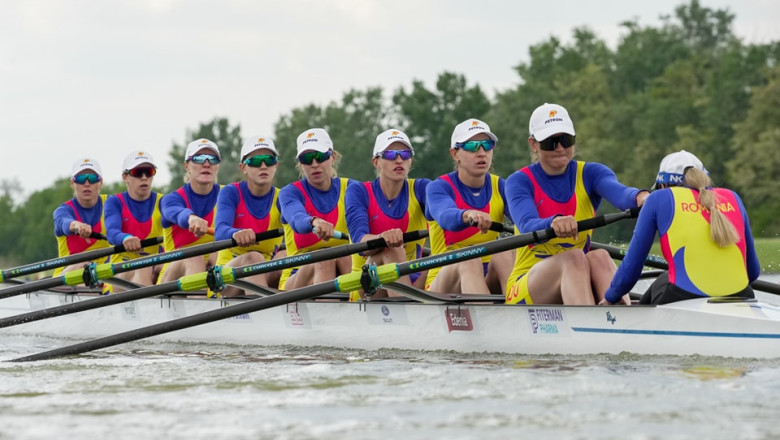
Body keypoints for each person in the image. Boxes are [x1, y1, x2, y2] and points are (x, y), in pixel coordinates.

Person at [505, 103, 649, 305]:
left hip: (575, 277)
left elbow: (621, 194)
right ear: (533, 144)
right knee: (573, 257)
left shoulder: (592, 173)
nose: (561, 148)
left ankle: (622, 320)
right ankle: (590, 326)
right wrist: (554, 222)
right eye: (550, 142)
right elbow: (527, 223)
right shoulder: (518, 182)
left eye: (566, 140)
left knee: (599, 256)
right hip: (526, 285)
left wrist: (641, 197)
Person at [601, 150, 760, 305]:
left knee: (663, 280)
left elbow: (632, 266)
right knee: (666, 277)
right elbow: (752, 272)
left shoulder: (658, 198)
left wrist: (610, 297)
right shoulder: (732, 197)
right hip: (742, 295)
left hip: (683, 297)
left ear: (662, 185)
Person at [424, 118, 514, 295]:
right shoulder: (438, 187)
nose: (481, 153)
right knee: (469, 258)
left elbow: (526, 219)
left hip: (487, 278)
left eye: (487, 145)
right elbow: (445, 216)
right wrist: (467, 215)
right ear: (455, 153)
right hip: (444, 282)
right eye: (472, 146)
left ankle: (519, 314)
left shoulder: (500, 186)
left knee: (504, 253)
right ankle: (490, 316)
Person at [345, 129, 430, 299]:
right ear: (376, 162)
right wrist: (383, 238)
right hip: (367, 282)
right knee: (392, 250)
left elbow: (444, 215)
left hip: (415, 279)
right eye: (391, 154)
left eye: (405, 154)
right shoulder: (358, 191)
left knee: (445, 256)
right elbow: (359, 240)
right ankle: (407, 312)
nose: (399, 159)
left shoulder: (422, 188)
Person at [278, 128, 355, 290]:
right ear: (300, 163)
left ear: (332, 157)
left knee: (345, 257)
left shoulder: (352, 188)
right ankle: (329, 312)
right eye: (307, 159)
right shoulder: (290, 193)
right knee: (325, 259)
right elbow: (297, 218)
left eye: (320, 157)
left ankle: (358, 306)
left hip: (345, 268)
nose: (314, 164)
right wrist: (314, 221)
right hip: (297, 276)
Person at [213, 135, 285, 297]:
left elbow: (298, 220)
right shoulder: (230, 192)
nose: (263, 166)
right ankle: (267, 315)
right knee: (253, 258)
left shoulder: (283, 197)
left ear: (276, 165)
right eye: (255, 161)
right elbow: (220, 231)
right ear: (243, 167)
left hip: (264, 273)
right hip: (227, 279)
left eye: (269, 160)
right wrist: (235, 233)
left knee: (287, 256)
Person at [157, 139, 221, 283]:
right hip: (174, 275)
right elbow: (178, 213)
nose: (206, 164)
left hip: (214, 270)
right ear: (187, 166)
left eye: (212, 159)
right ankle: (202, 304)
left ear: (218, 166)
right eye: (199, 159)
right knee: (194, 256)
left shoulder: (229, 196)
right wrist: (191, 218)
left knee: (220, 255)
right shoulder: (170, 199)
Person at [104, 151, 164, 288]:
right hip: (121, 269)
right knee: (143, 266)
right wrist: (125, 238)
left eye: (148, 172)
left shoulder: (162, 201)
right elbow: (112, 232)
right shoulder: (114, 202)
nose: (144, 177)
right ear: (125, 177)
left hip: (154, 265)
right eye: (138, 172)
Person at [52, 157, 110, 277]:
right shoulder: (63, 210)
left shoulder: (112, 204)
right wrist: (77, 226)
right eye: (81, 179)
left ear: (100, 182)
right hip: (69, 275)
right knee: (84, 266)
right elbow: (64, 222)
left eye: (92, 178)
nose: (87, 184)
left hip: (107, 273)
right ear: (72, 183)